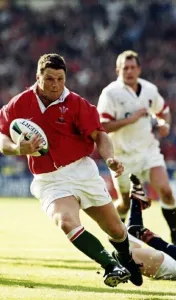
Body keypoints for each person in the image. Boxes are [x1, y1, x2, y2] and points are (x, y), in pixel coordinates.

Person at [0, 53, 143, 288]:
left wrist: (110, 159)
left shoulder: (76, 103)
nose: (55, 85)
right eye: (49, 79)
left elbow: (100, 135)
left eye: (60, 79)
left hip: (81, 172)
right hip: (49, 180)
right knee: (66, 221)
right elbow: (2, 135)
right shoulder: (19, 103)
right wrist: (17, 148)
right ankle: (110, 265)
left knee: (116, 230)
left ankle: (124, 257)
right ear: (38, 77)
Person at [97, 50, 176, 245]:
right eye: (125, 68)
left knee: (166, 191)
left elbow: (164, 112)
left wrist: (165, 125)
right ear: (117, 70)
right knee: (125, 203)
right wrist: (130, 119)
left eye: (132, 67)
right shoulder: (110, 93)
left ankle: (175, 234)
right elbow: (102, 126)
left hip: (148, 151)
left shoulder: (149, 89)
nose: (129, 71)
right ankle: (115, 234)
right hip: (122, 156)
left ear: (139, 69)